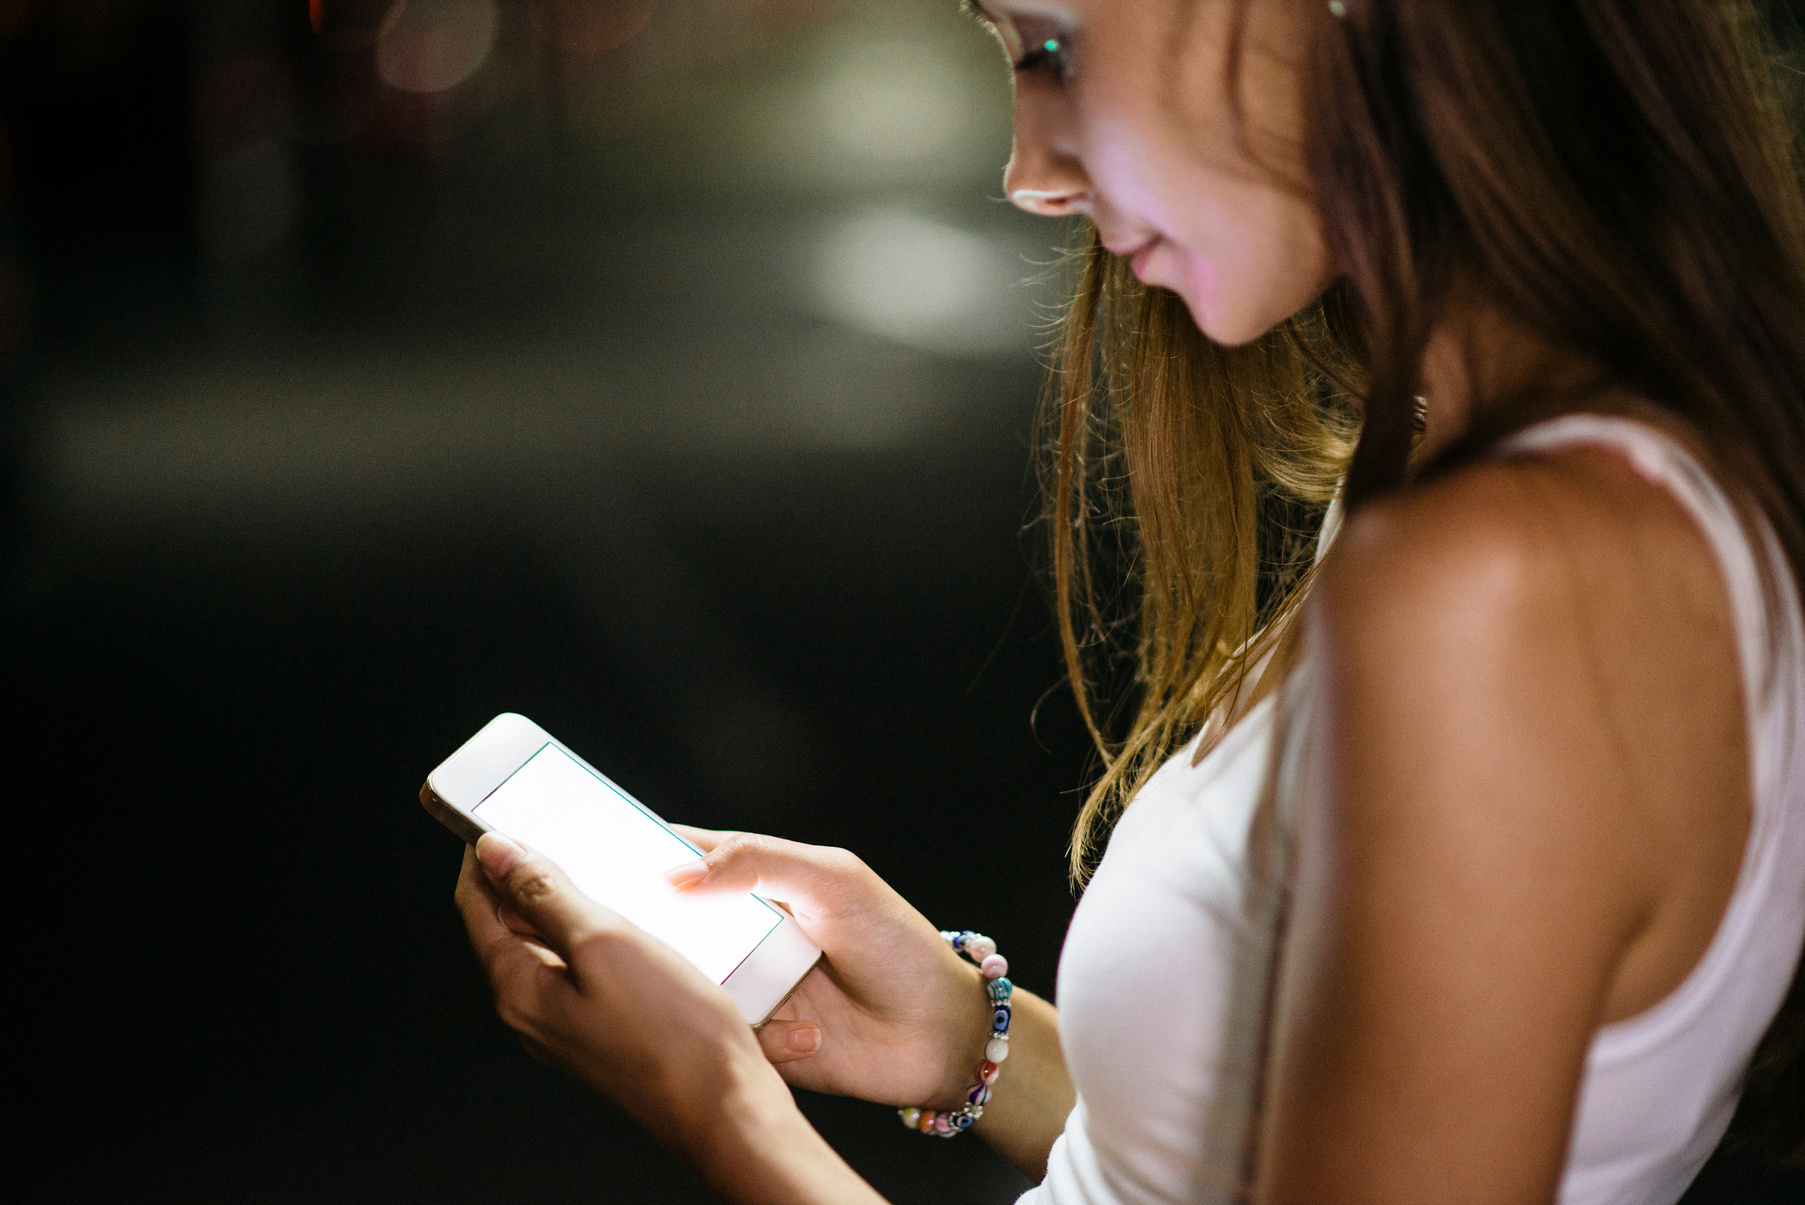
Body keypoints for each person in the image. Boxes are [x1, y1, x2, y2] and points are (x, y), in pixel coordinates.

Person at [450, 2, 1805, 1202]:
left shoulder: (1504, 582)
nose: (1028, 173)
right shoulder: (1501, 471)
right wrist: (963, 1035)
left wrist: (725, 1116)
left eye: (1048, 46)